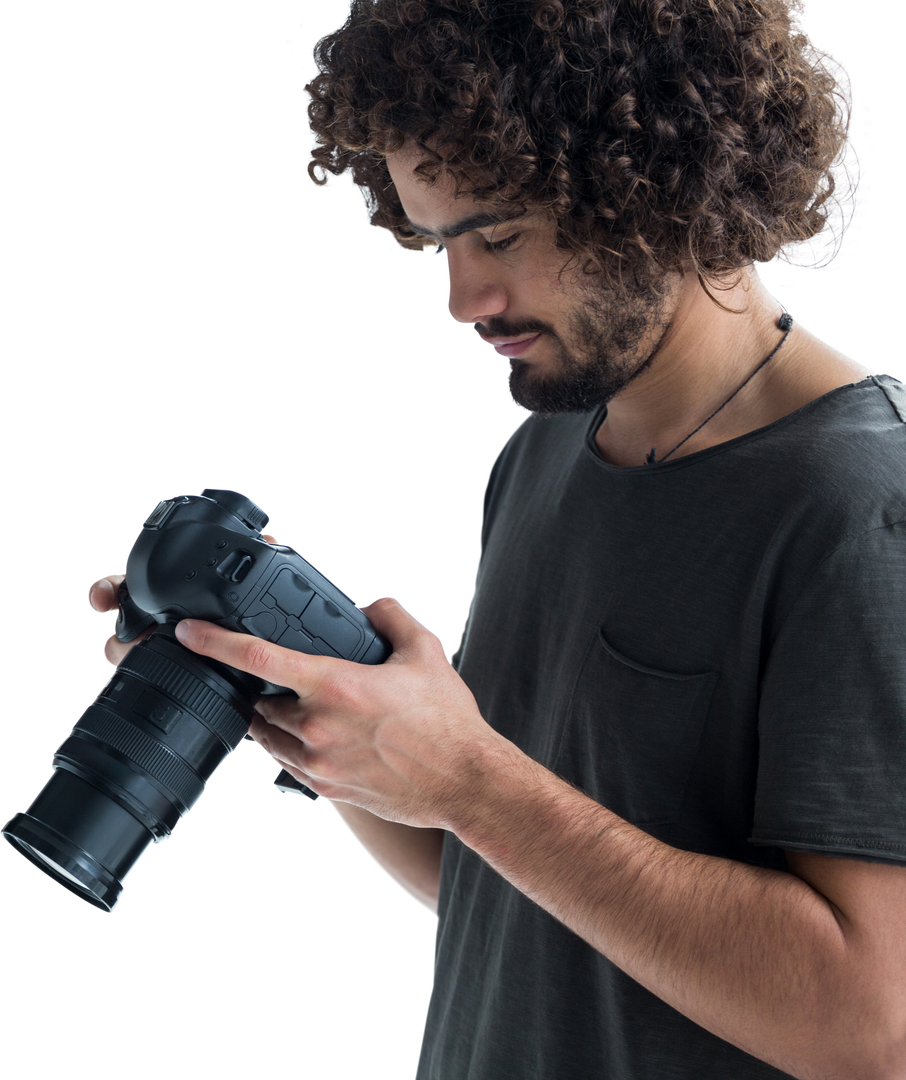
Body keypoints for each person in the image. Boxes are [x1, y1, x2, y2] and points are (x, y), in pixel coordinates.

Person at [89, 2, 903, 1077]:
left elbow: (870, 1023)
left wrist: (470, 780)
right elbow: (506, 891)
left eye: (501, 234)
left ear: (653, 178)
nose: (461, 299)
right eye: (437, 242)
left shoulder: (865, 500)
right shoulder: (547, 450)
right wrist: (306, 708)